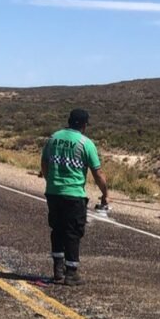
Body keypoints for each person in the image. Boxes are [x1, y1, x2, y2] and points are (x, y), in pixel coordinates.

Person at [41, 108, 108, 285]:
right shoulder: (85, 144)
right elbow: (98, 173)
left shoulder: (53, 138)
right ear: (84, 125)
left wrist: (51, 181)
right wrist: (105, 193)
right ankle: (71, 272)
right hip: (74, 194)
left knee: (57, 229)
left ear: (69, 120)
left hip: (53, 192)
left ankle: (58, 269)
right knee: (73, 232)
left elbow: (44, 163)